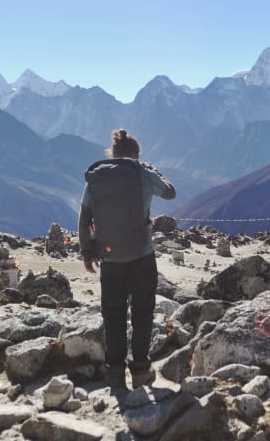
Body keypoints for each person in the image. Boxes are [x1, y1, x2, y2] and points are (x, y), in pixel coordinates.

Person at [79, 128, 176, 390]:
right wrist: (153, 170)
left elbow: (85, 217)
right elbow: (170, 192)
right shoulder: (142, 173)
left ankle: (115, 373)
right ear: (136, 155)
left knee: (113, 314)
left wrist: (88, 252)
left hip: (109, 258)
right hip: (142, 255)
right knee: (142, 312)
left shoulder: (97, 178)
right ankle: (141, 371)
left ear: (114, 154)